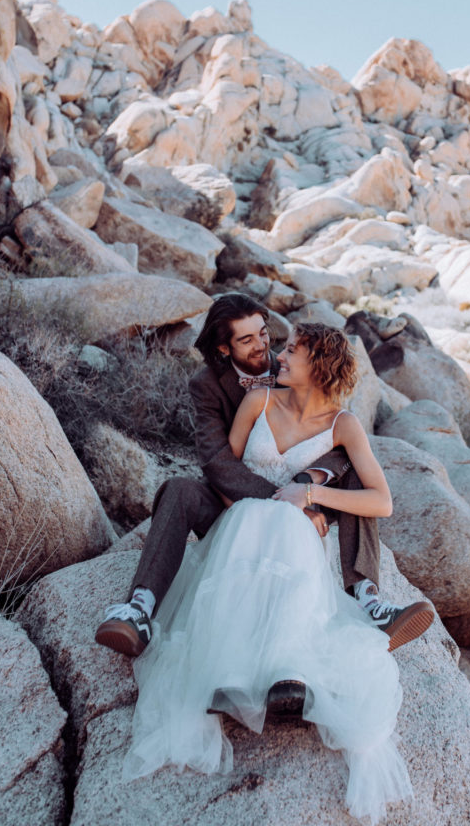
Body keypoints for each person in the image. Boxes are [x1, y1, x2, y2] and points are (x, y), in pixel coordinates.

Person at [122, 323, 429, 822]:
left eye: (291, 350)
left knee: (294, 532)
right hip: (241, 517)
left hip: (295, 525)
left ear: (319, 364)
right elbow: (224, 475)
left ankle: (293, 675)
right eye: (281, 347)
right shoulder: (258, 402)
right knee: (270, 526)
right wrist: (269, 506)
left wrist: (309, 496)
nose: (278, 356)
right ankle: (227, 676)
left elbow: (382, 501)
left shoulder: (344, 425)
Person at [95, 294, 433, 676]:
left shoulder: (293, 376)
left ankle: (369, 600)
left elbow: (334, 440)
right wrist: (285, 506)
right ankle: (139, 608)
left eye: (265, 335)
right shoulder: (217, 388)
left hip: (298, 504)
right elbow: (218, 462)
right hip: (237, 502)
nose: (267, 349)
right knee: (177, 489)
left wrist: (309, 487)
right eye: (248, 340)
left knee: (355, 476)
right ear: (225, 348)